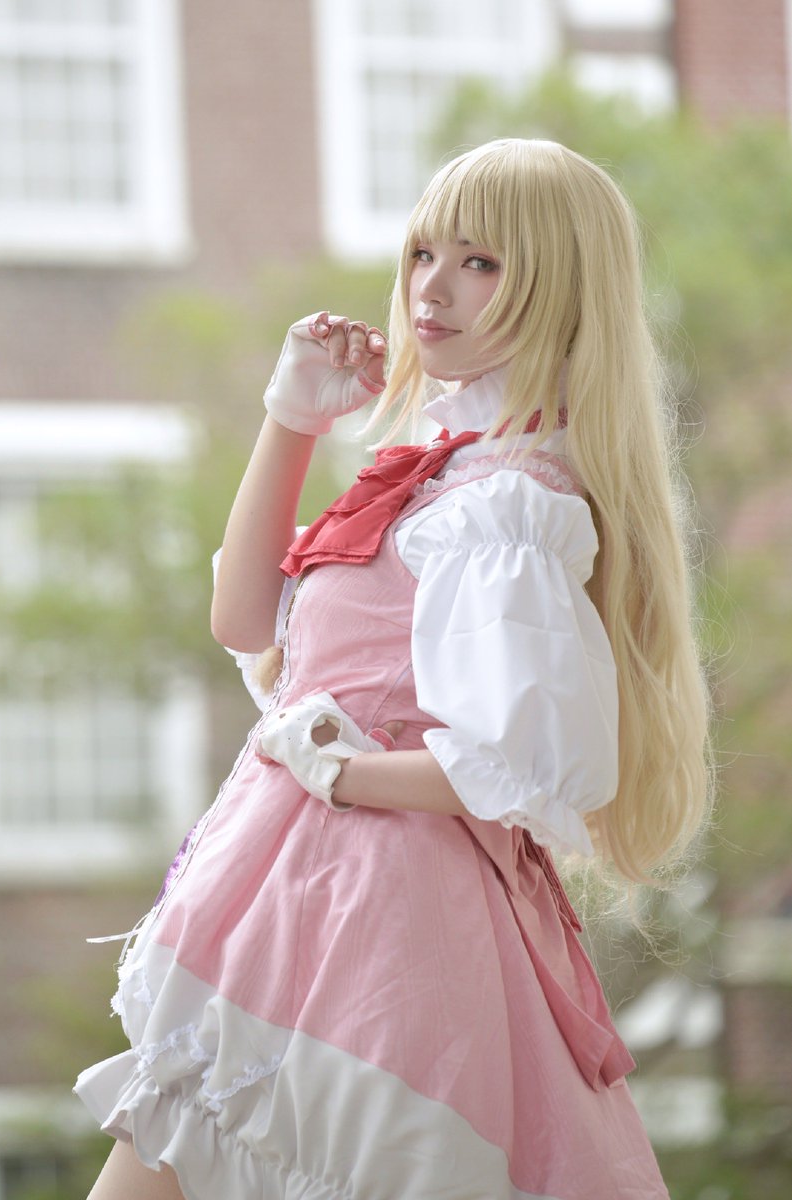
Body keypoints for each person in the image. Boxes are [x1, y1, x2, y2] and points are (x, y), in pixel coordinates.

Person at [77, 138, 710, 1200]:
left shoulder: (508, 507)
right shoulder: (442, 479)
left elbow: (522, 766)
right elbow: (246, 622)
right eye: (424, 252)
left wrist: (340, 773)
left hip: (386, 920)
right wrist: (293, 418)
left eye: (481, 262)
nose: (432, 288)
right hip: (310, 895)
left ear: (562, 289)